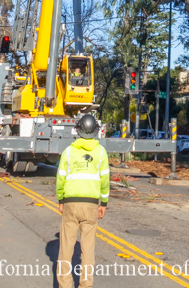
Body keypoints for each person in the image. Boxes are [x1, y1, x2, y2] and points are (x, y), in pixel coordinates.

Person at [56, 113, 109, 288]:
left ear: (78, 130)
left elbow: (61, 178)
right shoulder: (101, 152)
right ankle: (85, 285)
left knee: (65, 249)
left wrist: (61, 199)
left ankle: (65, 285)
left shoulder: (69, 151)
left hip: (71, 203)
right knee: (87, 251)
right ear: (95, 131)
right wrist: (104, 203)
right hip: (91, 205)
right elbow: (104, 180)